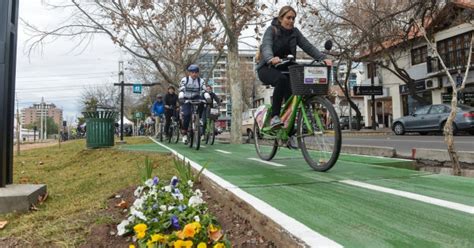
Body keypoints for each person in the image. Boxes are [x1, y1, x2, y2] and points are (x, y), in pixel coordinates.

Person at [256, 5, 327, 127]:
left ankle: (290, 129)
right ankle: (275, 116)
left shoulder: (295, 32)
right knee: (281, 79)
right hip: (267, 68)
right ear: (280, 18)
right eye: (288, 18)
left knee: (297, 87)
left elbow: (307, 46)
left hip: (286, 68)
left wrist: (323, 58)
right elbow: (266, 45)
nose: (291, 21)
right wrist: (270, 58)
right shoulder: (272, 30)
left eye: (293, 18)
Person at [178, 64, 206, 144]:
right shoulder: (185, 80)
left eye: (196, 72)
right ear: (189, 73)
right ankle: (184, 134)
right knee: (186, 115)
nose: (194, 74)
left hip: (195, 96)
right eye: (192, 72)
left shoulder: (201, 81)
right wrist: (181, 97)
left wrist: (207, 97)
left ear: (198, 73)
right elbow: (181, 89)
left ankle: (199, 118)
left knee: (202, 102)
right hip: (186, 98)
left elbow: (204, 90)